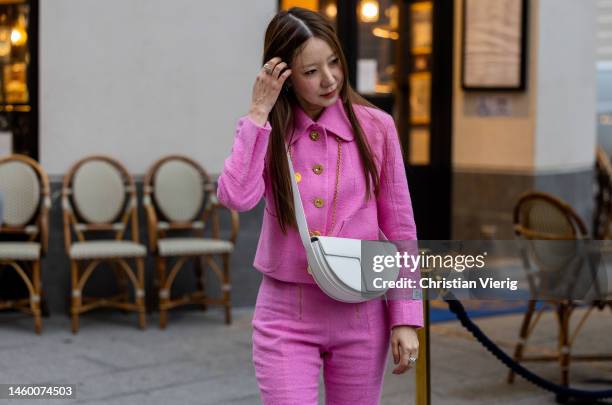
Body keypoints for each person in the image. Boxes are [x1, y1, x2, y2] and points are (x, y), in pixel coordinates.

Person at [217, 7, 423, 404]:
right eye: (311, 71)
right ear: (284, 77)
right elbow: (236, 197)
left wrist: (405, 318)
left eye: (333, 63)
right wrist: (259, 111)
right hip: (285, 316)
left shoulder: (375, 127)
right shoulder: (268, 131)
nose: (329, 79)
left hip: (361, 315)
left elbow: (400, 228)